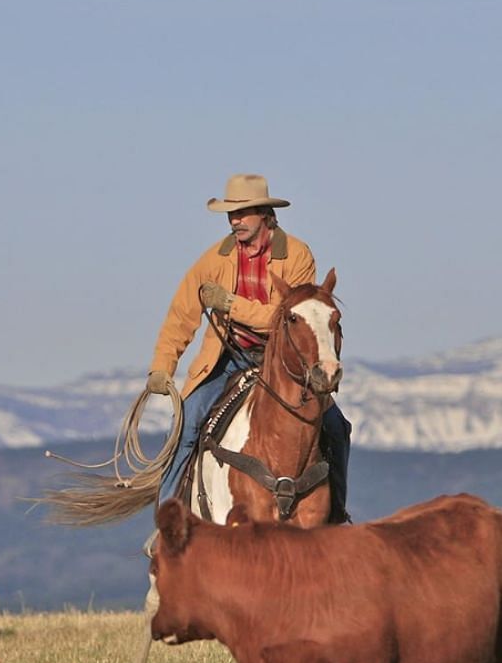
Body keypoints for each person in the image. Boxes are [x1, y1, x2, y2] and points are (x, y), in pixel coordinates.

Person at [146, 173, 351, 522]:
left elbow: (291, 314)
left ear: (265, 215)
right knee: (187, 423)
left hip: (283, 361)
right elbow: (182, 314)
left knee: (336, 427)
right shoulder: (214, 260)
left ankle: (335, 515)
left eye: (242, 213)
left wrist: (230, 304)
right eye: (231, 214)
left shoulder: (298, 256)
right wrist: (162, 368)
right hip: (228, 358)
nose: (234, 220)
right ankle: (169, 519)